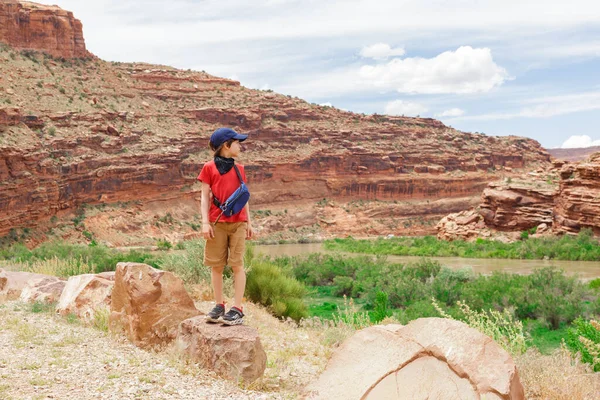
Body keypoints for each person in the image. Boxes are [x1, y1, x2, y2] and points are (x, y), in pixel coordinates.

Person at [198, 127, 253, 325]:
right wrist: (205, 222)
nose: (240, 146)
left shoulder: (241, 169)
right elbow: (204, 196)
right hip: (216, 223)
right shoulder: (209, 168)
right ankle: (219, 304)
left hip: (238, 223)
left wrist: (248, 222)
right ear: (226, 146)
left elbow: (244, 196)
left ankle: (237, 308)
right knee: (216, 265)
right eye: (237, 142)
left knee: (237, 264)